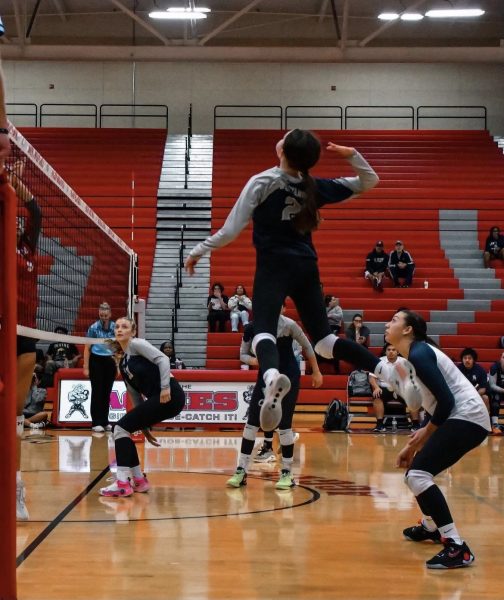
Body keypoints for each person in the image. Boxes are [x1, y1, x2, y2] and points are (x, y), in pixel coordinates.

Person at [185, 129, 385, 433]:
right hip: (306, 266)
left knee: (263, 331)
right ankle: (386, 369)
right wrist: (352, 154)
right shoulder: (315, 186)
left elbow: (229, 232)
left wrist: (199, 251)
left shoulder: (263, 181)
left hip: (273, 265)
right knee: (326, 342)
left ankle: (270, 377)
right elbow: (370, 181)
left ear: (284, 150)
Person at [386, 310, 490, 569]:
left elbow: (447, 402)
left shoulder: (420, 354)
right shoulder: (414, 356)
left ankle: (457, 547)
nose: (388, 324)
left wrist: (422, 435)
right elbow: (437, 408)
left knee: (417, 475)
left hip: (468, 417)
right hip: (461, 417)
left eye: (394, 321)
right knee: (415, 473)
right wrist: (413, 445)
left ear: (408, 330)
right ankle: (432, 527)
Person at [228, 307, 323, 489]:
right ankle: (241, 471)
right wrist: (254, 361)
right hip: (265, 379)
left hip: (288, 379)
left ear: (283, 307)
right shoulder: (251, 328)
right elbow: (243, 354)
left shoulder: (289, 325)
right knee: (250, 425)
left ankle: (287, 473)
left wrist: (316, 371)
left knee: (285, 426)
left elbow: (307, 346)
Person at [99, 317, 186, 497]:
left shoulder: (137, 344)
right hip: (161, 399)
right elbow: (135, 396)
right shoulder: (123, 364)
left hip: (170, 394)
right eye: (117, 327)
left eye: (124, 327)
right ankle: (138, 480)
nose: (120, 329)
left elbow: (162, 359)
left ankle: (123, 482)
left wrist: (165, 387)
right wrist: (143, 427)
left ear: (133, 331)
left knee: (119, 428)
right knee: (122, 430)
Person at [13, 159, 42, 521]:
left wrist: (16, 182)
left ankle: (17, 488)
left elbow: (36, 213)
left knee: (15, 416)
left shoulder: (27, 248)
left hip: (26, 337)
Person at [369, 343, 421, 432]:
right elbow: (371, 377)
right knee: (377, 397)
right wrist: (376, 387)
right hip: (384, 388)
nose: (391, 352)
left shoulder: (404, 362)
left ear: (397, 352)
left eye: (393, 350)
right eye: (389, 350)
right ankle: (380, 425)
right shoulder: (379, 362)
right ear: (385, 352)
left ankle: (415, 424)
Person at [83, 302, 116, 433]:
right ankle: (96, 422)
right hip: (96, 360)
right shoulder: (93, 328)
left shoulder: (114, 327)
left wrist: (118, 365)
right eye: (101, 315)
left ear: (110, 314)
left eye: (106, 315)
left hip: (110, 360)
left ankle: (104, 421)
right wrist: (86, 366)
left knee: (107, 392)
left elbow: (117, 347)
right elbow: (87, 347)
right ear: (99, 314)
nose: (104, 317)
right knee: (97, 392)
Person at [457, 347, 489, 412]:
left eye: (469, 358)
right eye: (465, 358)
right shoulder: (457, 369)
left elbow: (483, 389)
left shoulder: (480, 370)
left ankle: (487, 419)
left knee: (485, 398)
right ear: (462, 359)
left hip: (476, 394)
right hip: (461, 394)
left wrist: (472, 395)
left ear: (473, 360)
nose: (467, 360)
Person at [488, 351, 504, 435]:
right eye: (503, 358)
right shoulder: (494, 367)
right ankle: (495, 425)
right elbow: (492, 385)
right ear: (500, 359)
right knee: (495, 397)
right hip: (496, 391)